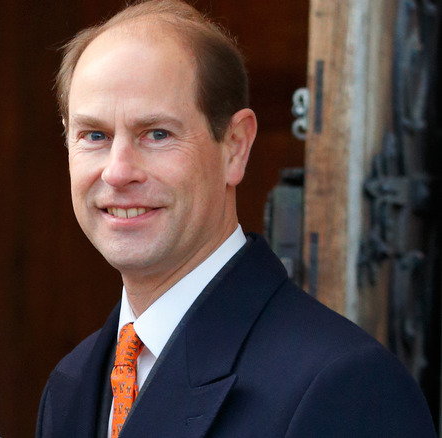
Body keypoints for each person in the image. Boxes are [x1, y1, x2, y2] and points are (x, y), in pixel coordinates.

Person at [36, 1, 436, 437]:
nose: (117, 171)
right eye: (95, 135)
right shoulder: (70, 389)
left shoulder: (348, 386)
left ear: (235, 146)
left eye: (156, 134)